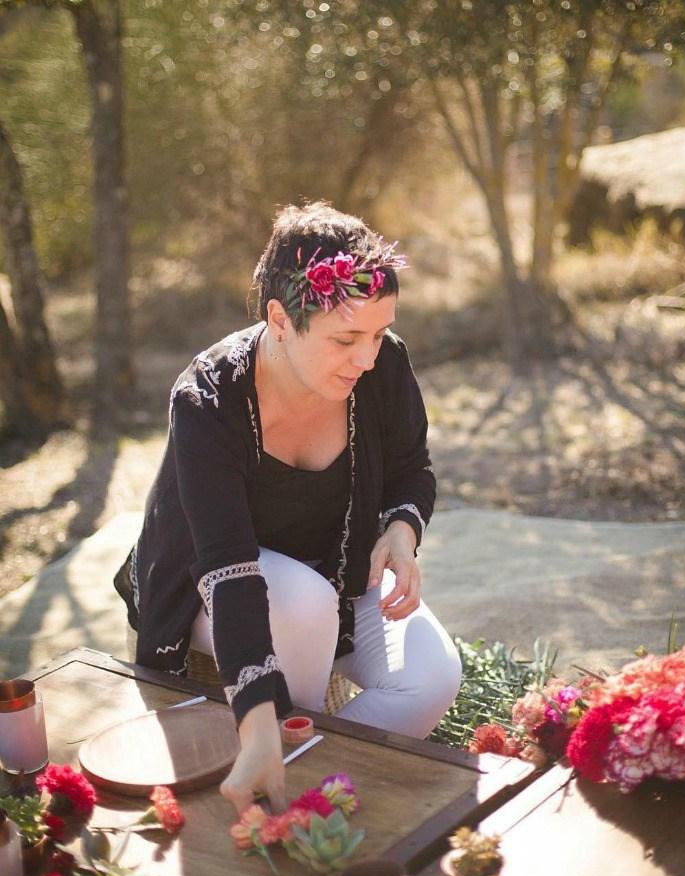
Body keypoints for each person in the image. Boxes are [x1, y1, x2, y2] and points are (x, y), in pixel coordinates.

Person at [114, 202, 462, 816]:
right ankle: (279, 756)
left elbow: (413, 468)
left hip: (339, 565)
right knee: (302, 603)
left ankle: (306, 788)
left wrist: (401, 532)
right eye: (346, 338)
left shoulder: (382, 368)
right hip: (211, 586)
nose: (368, 358)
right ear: (280, 320)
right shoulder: (207, 400)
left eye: (380, 333)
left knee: (433, 676)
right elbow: (227, 566)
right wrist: (256, 723)